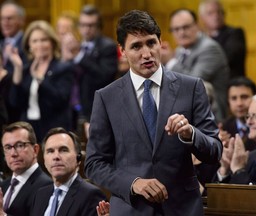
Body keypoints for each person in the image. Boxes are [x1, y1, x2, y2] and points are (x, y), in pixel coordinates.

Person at [85, 10, 222, 216]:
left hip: (182, 209)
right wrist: (134, 183)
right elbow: (94, 164)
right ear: (122, 51)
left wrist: (190, 134)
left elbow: (215, 151)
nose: (146, 53)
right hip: (132, 209)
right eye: (136, 46)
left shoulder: (191, 87)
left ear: (161, 43)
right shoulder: (106, 97)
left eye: (151, 43)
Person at [8, 20, 74, 142]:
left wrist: (39, 78)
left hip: (54, 129)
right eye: (35, 41)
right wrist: (17, 69)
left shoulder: (63, 68)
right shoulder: (26, 70)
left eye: (44, 40)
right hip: (29, 130)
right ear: (29, 45)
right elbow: (15, 102)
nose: (40, 44)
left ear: (52, 42)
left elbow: (61, 99)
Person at [161, 8, 229, 121]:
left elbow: (193, 82)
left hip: (211, 118)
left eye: (186, 27)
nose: (181, 32)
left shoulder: (210, 48)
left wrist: (170, 61)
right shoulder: (178, 51)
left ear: (197, 26)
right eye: (176, 29)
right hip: (185, 116)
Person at [61, 5, 118, 131]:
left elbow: (104, 76)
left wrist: (79, 55)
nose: (87, 29)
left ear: (99, 26)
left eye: (91, 25)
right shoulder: (76, 45)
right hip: (74, 109)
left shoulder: (108, 46)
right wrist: (65, 59)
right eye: (83, 25)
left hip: (97, 109)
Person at [31, 127, 106, 216]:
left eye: (63, 150)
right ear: (44, 160)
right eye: (50, 151)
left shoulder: (91, 195)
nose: (56, 157)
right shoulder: (40, 194)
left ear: (78, 158)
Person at [0, 121, 52, 216]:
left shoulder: (47, 186)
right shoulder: (2, 186)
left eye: (20, 145)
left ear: (35, 150)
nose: (13, 154)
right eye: (8, 147)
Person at [199, 0, 247, 78]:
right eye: (210, 13)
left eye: (219, 12)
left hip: (231, 83)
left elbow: (227, 58)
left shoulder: (235, 33)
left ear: (224, 14)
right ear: (202, 18)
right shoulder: (200, 37)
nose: (216, 16)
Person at [0, 1, 28, 124]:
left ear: (21, 20)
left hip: (19, 112)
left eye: (10, 18)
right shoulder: (1, 44)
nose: (5, 22)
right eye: (2, 18)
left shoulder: (28, 45)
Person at [220, 77, 256, 151]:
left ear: (255, 98)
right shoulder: (224, 128)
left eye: (244, 97)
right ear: (228, 101)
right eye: (234, 98)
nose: (239, 103)